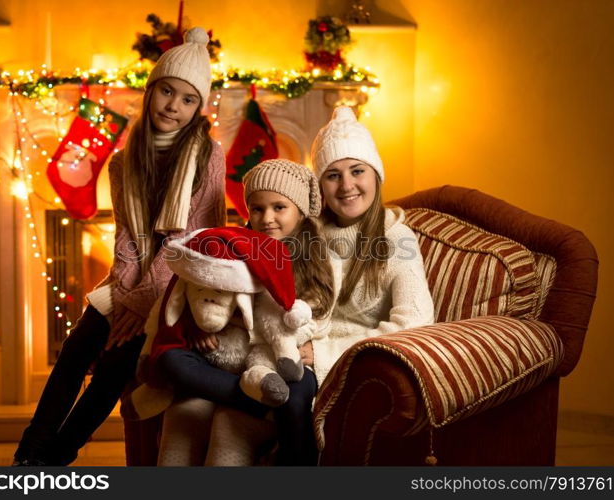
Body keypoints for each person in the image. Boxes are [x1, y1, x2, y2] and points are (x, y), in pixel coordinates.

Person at [13, 27, 226, 466]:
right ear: (151, 92)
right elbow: (127, 238)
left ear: (197, 108)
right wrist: (128, 295)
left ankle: (56, 457)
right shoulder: (123, 162)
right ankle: (29, 455)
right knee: (76, 349)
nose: (174, 106)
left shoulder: (208, 155)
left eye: (188, 99)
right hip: (131, 279)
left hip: (180, 283)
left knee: (116, 362)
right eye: (167, 91)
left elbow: (197, 239)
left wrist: (143, 299)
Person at [156, 159, 342, 466]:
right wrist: (202, 327)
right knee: (173, 362)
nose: (267, 218)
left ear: (299, 210)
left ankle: (294, 459)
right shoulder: (234, 247)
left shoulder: (318, 257)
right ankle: (257, 400)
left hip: (280, 358)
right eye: (257, 209)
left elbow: (318, 318)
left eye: (279, 207)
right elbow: (199, 293)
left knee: (295, 395)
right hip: (231, 359)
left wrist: (269, 335)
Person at [303, 105, 435, 386]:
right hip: (294, 357)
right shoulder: (309, 234)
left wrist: (323, 353)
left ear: (375, 175)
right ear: (321, 185)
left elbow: (414, 324)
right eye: (333, 175)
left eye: (357, 171)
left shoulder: (396, 240)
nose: (346, 185)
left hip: (354, 370)